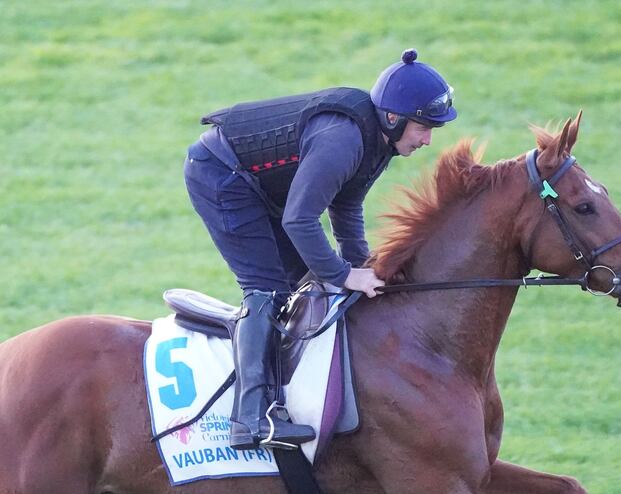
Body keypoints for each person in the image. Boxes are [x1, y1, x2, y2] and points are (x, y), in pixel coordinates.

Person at [183, 49, 457, 450]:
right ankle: (250, 420)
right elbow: (299, 220)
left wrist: (364, 267)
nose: (428, 139)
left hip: (260, 185)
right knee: (267, 288)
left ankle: (288, 396)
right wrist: (346, 275)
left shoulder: (379, 141)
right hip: (221, 176)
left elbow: (345, 204)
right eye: (424, 127)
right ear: (394, 118)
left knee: (310, 284)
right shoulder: (343, 140)